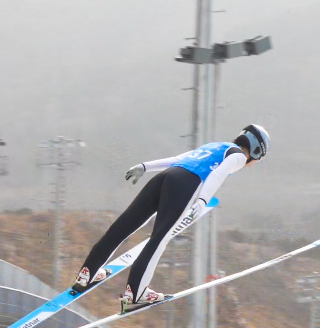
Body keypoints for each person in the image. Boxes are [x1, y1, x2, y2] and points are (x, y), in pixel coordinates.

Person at [73, 123, 269, 311]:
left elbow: (176, 159)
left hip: (165, 177)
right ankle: (135, 295)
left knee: (124, 225)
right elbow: (218, 175)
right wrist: (202, 201)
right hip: (185, 185)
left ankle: (87, 274)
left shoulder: (216, 145)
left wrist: (144, 166)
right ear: (256, 151)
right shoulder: (239, 157)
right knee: (159, 239)